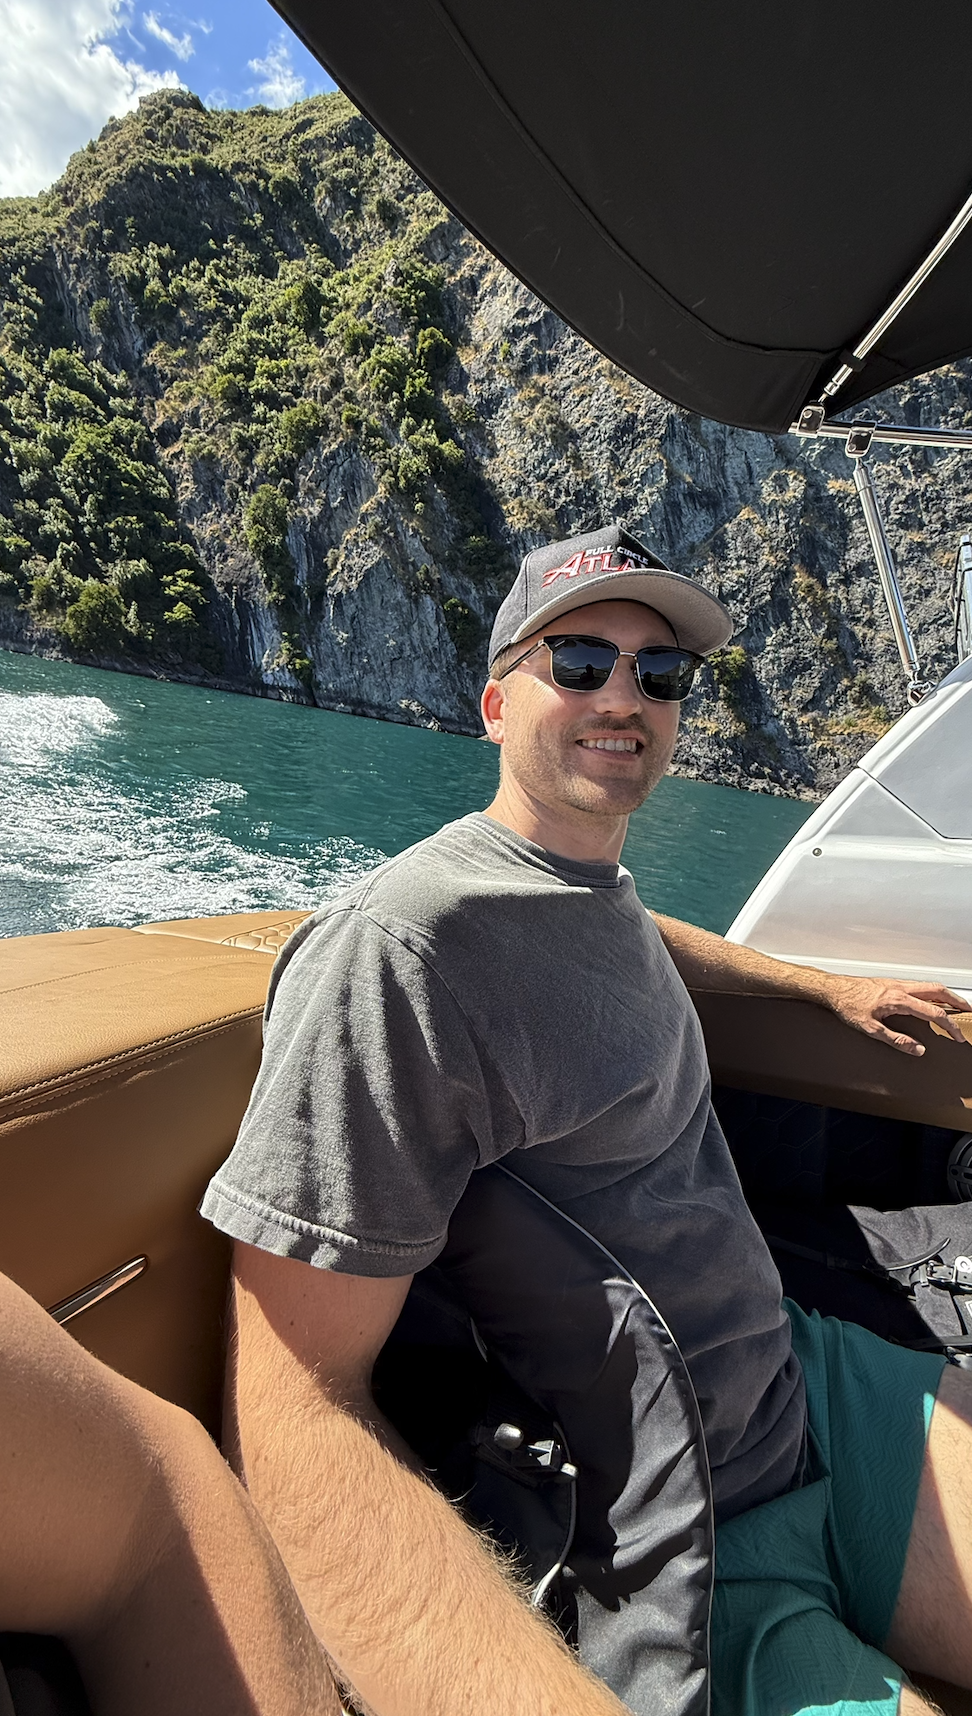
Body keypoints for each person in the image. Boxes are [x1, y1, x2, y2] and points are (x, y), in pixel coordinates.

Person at [202, 524, 972, 1716]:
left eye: (659, 675)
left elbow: (632, 930)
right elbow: (297, 1395)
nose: (625, 696)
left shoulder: (585, 884)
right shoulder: (401, 953)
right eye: (580, 662)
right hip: (685, 1518)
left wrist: (823, 987)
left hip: (799, 1380)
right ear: (497, 700)